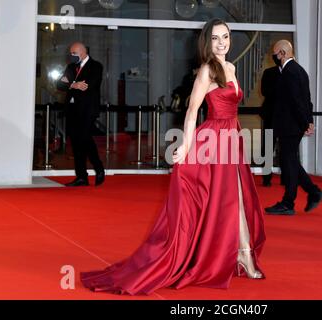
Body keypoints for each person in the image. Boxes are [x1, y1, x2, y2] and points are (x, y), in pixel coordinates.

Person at [80, 18, 266, 295]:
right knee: (228, 199)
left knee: (237, 197)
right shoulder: (207, 71)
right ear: (207, 41)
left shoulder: (232, 67)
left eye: (225, 36)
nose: (221, 42)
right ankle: (243, 255)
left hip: (232, 138)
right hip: (213, 140)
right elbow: (192, 111)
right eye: (215, 38)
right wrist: (186, 145)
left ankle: (243, 253)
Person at [265, 40, 322, 215]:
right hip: (293, 124)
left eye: (275, 54)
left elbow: (298, 102)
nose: (274, 57)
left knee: (289, 162)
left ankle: (289, 203)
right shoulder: (299, 71)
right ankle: (313, 192)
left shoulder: (290, 73)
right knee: (290, 161)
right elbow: (307, 100)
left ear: (283, 53)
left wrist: (306, 122)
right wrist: (309, 121)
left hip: (290, 125)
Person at [57, 42, 105, 187]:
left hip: (87, 109)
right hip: (71, 109)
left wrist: (70, 83)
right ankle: (81, 177)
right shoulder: (71, 67)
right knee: (77, 142)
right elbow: (60, 84)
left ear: (83, 52)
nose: (71, 56)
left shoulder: (96, 66)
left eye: (74, 53)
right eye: (71, 53)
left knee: (84, 139)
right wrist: (74, 84)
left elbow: (89, 85)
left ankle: (98, 167)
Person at [260, 64, 281, 187]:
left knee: (288, 148)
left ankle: (287, 177)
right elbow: (264, 91)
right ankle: (266, 178)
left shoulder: (293, 71)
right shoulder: (268, 72)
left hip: (287, 116)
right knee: (268, 146)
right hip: (271, 114)